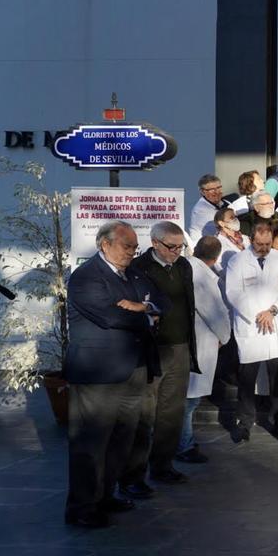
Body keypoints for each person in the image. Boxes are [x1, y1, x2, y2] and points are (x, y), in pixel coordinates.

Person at [64, 221, 163, 528]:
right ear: (105, 244)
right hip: (99, 374)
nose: (133, 252)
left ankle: (105, 495)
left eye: (135, 247)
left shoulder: (131, 272)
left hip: (132, 368)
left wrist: (140, 307)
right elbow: (110, 315)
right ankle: (82, 507)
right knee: (91, 444)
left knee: (122, 440)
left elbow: (157, 301)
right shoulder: (86, 277)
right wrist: (142, 312)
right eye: (127, 246)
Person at [120, 221, 198, 495]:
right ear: (154, 243)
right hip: (152, 350)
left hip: (179, 347)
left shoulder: (184, 266)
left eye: (180, 246)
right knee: (144, 414)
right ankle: (133, 476)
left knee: (172, 412)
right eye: (171, 246)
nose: (176, 251)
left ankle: (163, 465)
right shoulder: (139, 268)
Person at [224, 220, 278, 443]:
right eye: (259, 244)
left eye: (267, 244)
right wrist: (258, 314)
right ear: (251, 240)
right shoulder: (237, 262)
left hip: (275, 325)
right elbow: (233, 292)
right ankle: (244, 422)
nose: (264, 248)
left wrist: (272, 311)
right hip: (251, 326)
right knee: (247, 379)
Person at [176, 237, 231, 465]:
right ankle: (183, 445)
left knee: (187, 398)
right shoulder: (202, 277)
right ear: (216, 258)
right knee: (189, 401)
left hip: (191, 342)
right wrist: (225, 336)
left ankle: (181, 441)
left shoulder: (186, 267)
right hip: (199, 343)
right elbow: (214, 312)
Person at [188, 174, 227, 240]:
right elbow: (224, 229)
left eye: (218, 188)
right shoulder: (200, 210)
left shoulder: (225, 202)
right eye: (212, 189)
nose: (217, 192)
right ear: (203, 192)